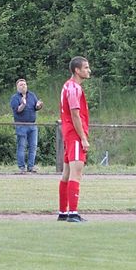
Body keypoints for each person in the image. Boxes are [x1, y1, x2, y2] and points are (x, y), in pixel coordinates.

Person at [58, 56, 91, 223]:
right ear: (77, 70)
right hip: (74, 134)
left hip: (68, 133)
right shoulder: (73, 88)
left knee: (66, 173)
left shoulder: (67, 86)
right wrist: (83, 138)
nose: (89, 70)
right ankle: (73, 213)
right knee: (76, 173)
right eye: (86, 67)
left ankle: (63, 212)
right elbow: (75, 115)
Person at [10, 78, 42, 173]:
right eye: (21, 85)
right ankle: (22, 167)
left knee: (33, 146)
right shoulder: (15, 98)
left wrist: (39, 105)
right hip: (21, 125)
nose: (23, 86)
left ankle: (31, 167)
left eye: (25, 84)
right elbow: (17, 110)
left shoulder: (32, 95)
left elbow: (36, 107)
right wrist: (23, 104)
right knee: (21, 146)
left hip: (32, 125)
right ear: (17, 87)